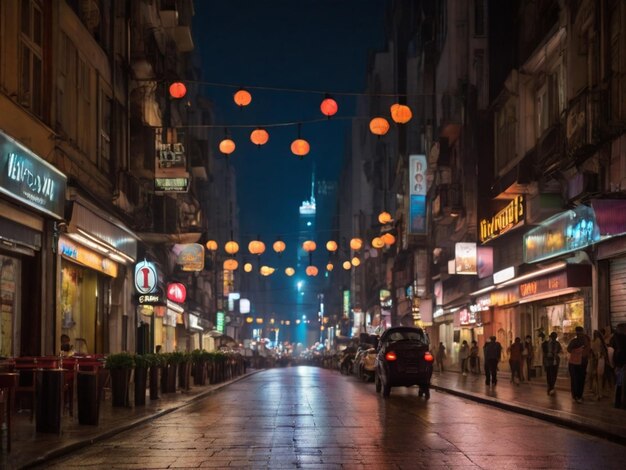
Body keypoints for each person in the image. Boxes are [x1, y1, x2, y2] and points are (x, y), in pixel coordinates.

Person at [567, 326, 590, 403]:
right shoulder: (586, 340)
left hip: (573, 363)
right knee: (581, 380)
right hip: (582, 363)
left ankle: (575, 396)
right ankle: (579, 396)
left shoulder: (573, 341)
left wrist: (574, 351)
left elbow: (568, 349)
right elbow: (588, 351)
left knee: (574, 380)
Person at [610, 323, 626, 408]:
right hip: (622, 365)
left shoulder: (615, 338)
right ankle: (620, 403)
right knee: (621, 384)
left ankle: (617, 402)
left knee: (619, 384)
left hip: (619, 364)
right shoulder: (621, 338)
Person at [590, 330, 609, 400]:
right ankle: (600, 393)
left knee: (597, 377)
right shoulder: (600, 341)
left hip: (597, 360)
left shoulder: (596, 341)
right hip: (600, 360)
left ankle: (598, 394)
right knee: (599, 378)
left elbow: (596, 353)